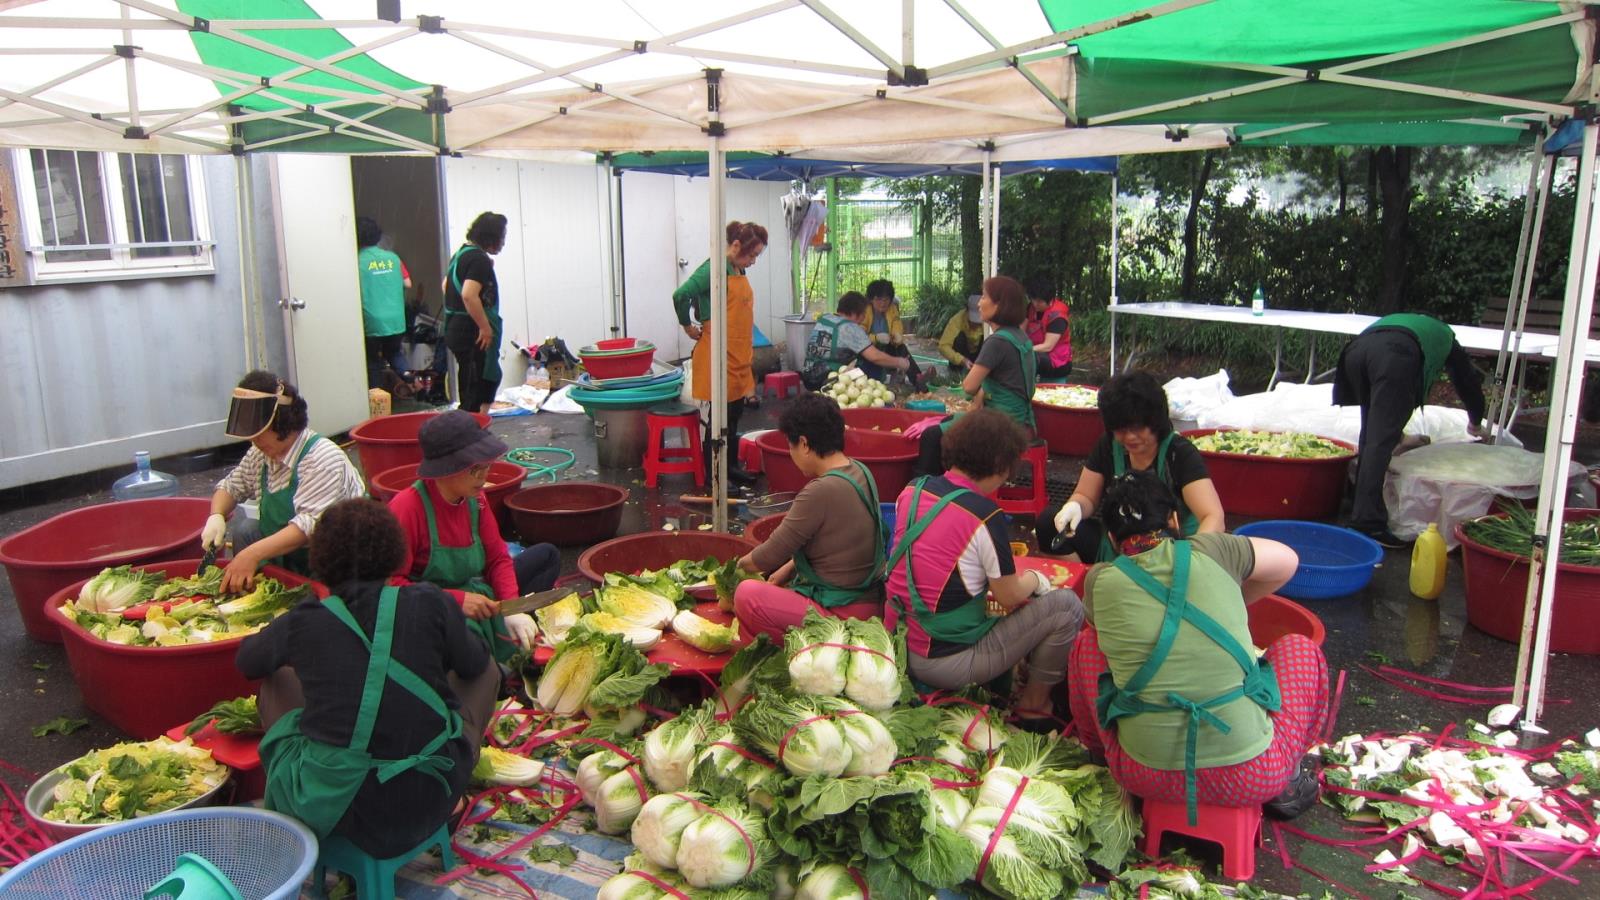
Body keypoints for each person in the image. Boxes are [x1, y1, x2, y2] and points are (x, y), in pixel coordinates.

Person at [240, 497, 500, 857]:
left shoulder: (306, 620)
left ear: (321, 559)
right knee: (487, 670)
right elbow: (473, 664)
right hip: (432, 793)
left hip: (344, 812)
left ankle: (309, 788)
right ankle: (455, 802)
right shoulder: (430, 602)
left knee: (276, 677)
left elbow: (247, 661)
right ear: (394, 554)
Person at [1066, 471, 1326, 822]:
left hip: (1143, 775)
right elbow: (1287, 561)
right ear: (1174, 520)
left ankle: (1098, 756)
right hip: (1253, 776)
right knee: (1299, 648)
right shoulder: (1214, 549)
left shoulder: (1099, 581)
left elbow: (1111, 641)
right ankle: (1288, 779)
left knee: (1087, 644)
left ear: (1112, 538)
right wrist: (1234, 601)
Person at [886, 410, 1085, 724]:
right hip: (944, 660)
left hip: (895, 643)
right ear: (999, 465)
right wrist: (1034, 579)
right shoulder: (983, 514)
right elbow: (1009, 596)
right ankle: (1034, 706)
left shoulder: (912, 491)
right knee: (1066, 607)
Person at [388, 411, 548, 663]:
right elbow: (390, 587)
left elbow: (497, 558)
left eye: (486, 466)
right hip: (430, 612)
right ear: (445, 470)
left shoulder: (477, 500)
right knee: (472, 655)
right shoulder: (408, 508)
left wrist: (511, 606)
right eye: (475, 469)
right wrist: (453, 600)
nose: (484, 476)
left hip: (478, 595)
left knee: (546, 555)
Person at [733, 394, 886, 641]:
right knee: (774, 584)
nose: (791, 454)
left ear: (804, 444)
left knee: (747, 594)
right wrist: (787, 568)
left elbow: (766, 556)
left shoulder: (820, 491)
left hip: (841, 614)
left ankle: (796, 653)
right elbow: (839, 540)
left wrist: (734, 568)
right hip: (872, 604)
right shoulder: (860, 471)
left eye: (790, 446)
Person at [204, 371, 367, 593]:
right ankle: (263, 593)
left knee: (251, 545)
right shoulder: (260, 453)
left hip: (336, 556)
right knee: (246, 531)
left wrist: (251, 554)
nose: (254, 440)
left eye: (260, 433)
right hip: (293, 551)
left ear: (284, 423)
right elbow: (231, 486)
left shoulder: (322, 457)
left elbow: (307, 527)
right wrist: (216, 516)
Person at [1037, 370, 1224, 564]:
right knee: (1048, 524)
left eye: (1137, 428)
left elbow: (1213, 516)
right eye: (1121, 430)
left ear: (1155, 421)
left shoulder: (1179, 453)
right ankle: (1086, 584)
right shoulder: (1109, 445)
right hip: (1119, 544)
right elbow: (1085, 496)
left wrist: (1191, 560)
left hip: (1172, 550)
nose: (1129, 437)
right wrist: (1074, 507)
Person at [1334, 313, 1487, 548]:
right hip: (1394, 355)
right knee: (1378, 441)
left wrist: (1403, 438)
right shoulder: (1447, 338)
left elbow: (1383, 417)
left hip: (1356, 352)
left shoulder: (1410, 325)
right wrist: (1475, 421)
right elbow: (1466, 381)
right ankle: (1367, 523)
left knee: (1372, 432)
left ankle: (1356, 498)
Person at [673, 221, 769, 486]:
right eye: (752, 255)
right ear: (736, 246)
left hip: (738, 354)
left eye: (756, 256)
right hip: (717, 352)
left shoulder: (737, 267)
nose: (753, 261)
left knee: (735, 413)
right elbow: (681, 295)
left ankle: (731, 466)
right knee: (719, 417)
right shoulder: (712, 269)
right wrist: (686, 325)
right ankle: (714, 473)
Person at [914, 275, 1037, 478]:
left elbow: (969, 386)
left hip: (1002, 423)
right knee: (950, 421)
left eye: (985, 297)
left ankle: (926, 494)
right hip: (1021, 420)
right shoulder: (1019, 336)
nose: (980, 302)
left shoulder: (997, 342)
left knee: (931, 436)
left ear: (999, 305)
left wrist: (979, 393)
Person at [443, 212, 509, 414]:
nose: (503, 242)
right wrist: (485, 327)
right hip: (471, 333)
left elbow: (445, 285)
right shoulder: (478, 259)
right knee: (481, 385)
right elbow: (469, 295)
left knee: (471, 384)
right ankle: (474, 433)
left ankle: (474, 430)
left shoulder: (462, 254)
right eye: (502, 237)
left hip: (455, 328)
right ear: (491, 238)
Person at [801, 291, 912, 389]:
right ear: (854, 313)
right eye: (863, 314)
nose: (864, 318)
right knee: (871, 362)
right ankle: (875, 390)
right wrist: (899, 362)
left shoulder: (825, 318)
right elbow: (875, 357)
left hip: (808, 376)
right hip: (826, 381)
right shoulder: (850, 328)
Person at [357, 216, 411, 390]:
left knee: (372, 361)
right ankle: (412, 380)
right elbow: (407, 283)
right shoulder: (393, 258)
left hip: (371, 320)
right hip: (396, 320)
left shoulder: (356, 261)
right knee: (393, 352)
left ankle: (377, 399)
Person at [1025, 275, 1073, 381]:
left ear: (1050, 299)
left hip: (1057, 361)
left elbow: (1048, 346)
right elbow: (1021, 331)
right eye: (1033, 299)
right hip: (1038, 353)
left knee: (1027, 359)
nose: (1035, 304)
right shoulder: (1030, 308)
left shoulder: (1057, 317)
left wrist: (1024, 349)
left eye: (1040, 301)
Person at [937, 295, 986, 371]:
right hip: (961, 354)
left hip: (980, 354)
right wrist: (961, 360)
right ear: (966, 311)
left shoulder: (989, 320)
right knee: (960, 337)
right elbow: (943, 346)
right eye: (972, 321)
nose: (975, 324)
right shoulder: (957, 320)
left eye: (978, 322)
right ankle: (956, 371)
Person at [864, 279, 906, 347]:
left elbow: (897, 324)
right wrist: (875, 338)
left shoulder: (892, 308)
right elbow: (859, 336)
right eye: (879, 299)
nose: (883, 303)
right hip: (867, 349)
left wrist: (897, 335)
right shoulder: (864, 310)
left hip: (888, 349)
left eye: (886, 299)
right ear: (871, 299)